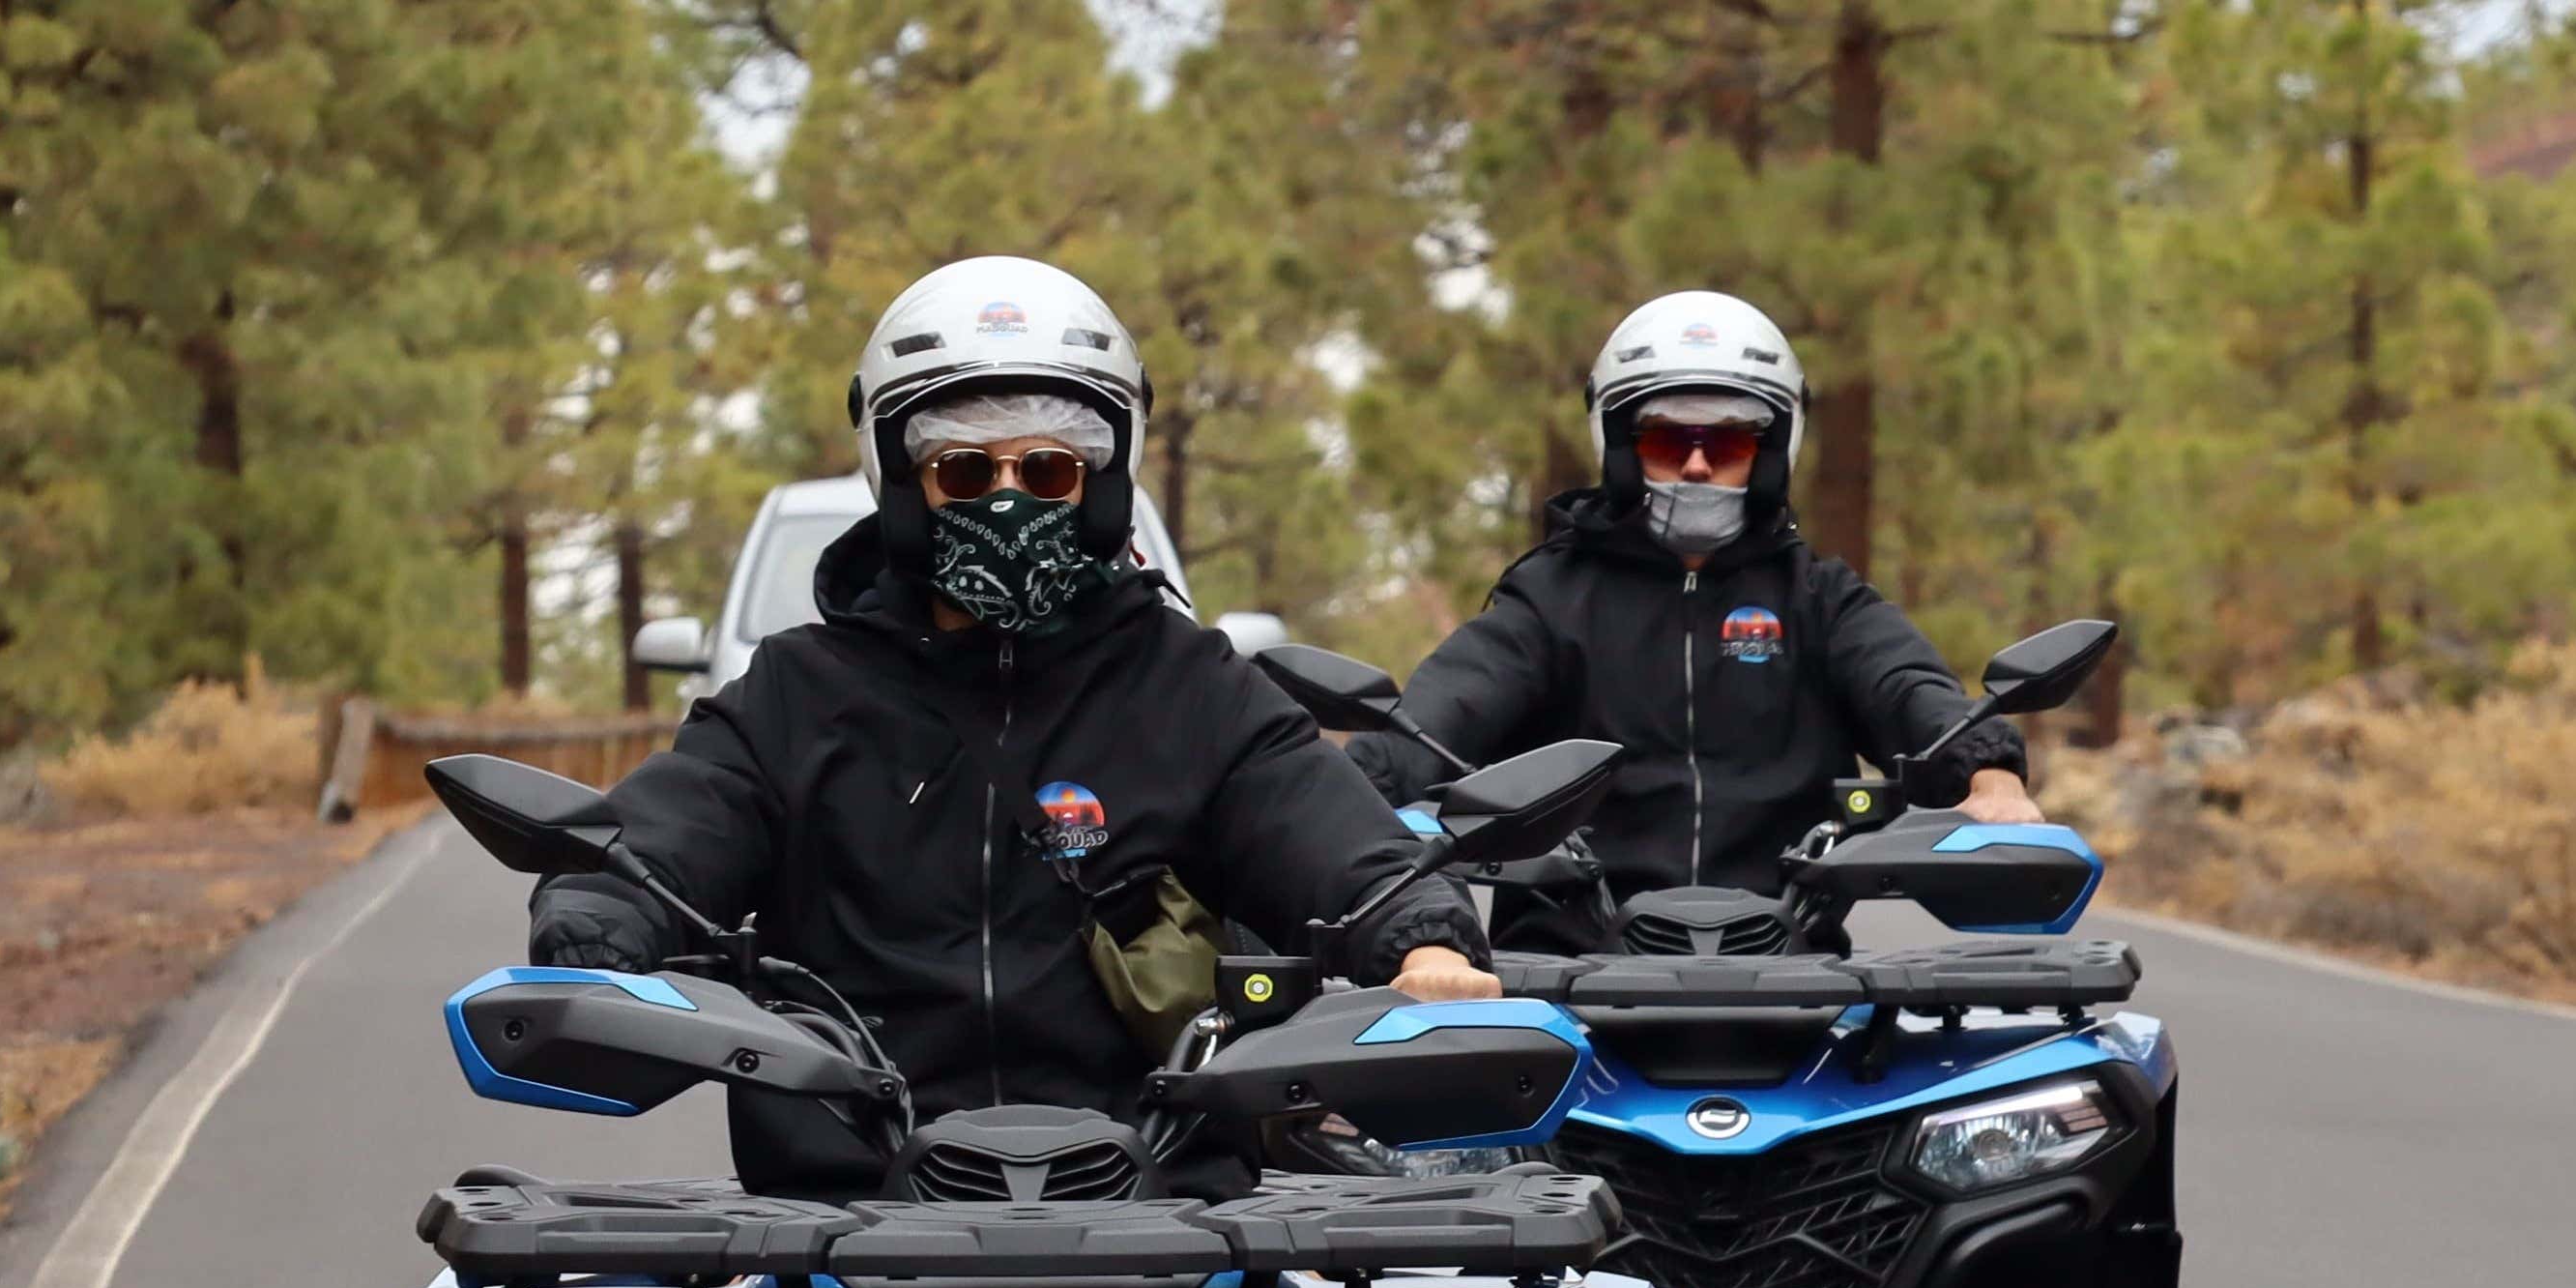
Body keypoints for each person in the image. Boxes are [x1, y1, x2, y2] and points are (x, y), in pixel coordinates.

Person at [529, 255, 1494, 1195]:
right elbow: (657, 842)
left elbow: (1334, 836)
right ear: (905, 484)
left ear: (1102, 482)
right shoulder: (796, 692)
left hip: (1160, 1224)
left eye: (1046, 469)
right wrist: (594, 931)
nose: (1007, 498)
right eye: (962, 469)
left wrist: (1426, 944)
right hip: (843, 1226)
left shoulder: (1192, 685)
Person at [1349, 289, 2040, 952]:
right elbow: (1440, 715)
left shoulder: (1818, 599)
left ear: (1771, 457)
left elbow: (1906, 684)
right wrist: (1343, 792)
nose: (1699, 464)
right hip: (1563, 979)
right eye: (1667, 441)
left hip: (1793, 971)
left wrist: (1988, 772)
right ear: (1620, 449)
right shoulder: (1550, 602)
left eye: (1730, 444)